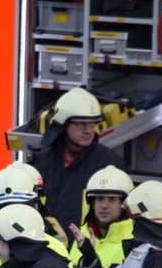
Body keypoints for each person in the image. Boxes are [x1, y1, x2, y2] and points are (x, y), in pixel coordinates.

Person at [31, 87, 124, 231]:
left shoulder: (109, 164)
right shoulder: (40, 163)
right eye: (80, 124)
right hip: (46, 249)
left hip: (84, 250)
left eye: (92, 123)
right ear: (63, 124)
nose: (88, 130)